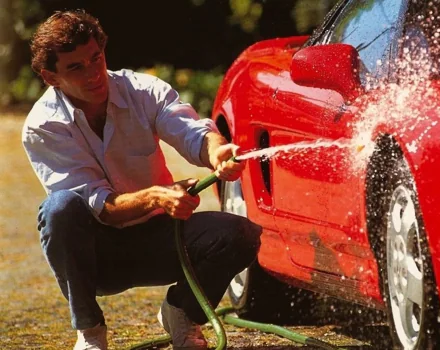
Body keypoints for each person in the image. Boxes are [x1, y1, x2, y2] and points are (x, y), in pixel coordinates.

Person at [22, 10, 262, 350]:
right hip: (97, 254)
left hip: (160, 238)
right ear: (50, 77)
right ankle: (90, 332)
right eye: (76, 67)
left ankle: (181, 313)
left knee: (241, 234)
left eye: (96, 58)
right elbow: (100, 206)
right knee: (58, 210)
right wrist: (158, 196)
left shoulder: (143, 89)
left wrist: (217, 152)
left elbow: (192, 133)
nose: (93, 74)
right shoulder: (43, 126)